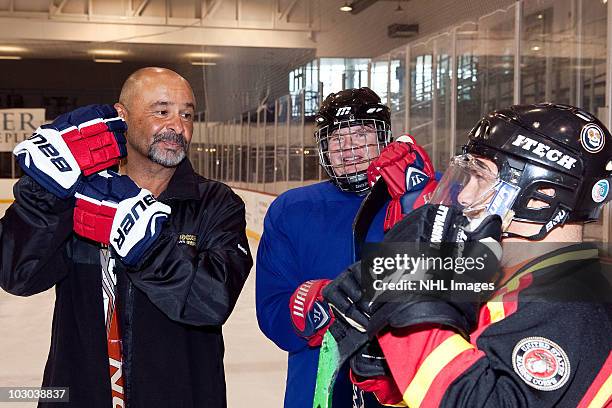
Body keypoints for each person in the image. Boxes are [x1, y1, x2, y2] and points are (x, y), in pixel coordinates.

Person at [324, 103, 612, 407]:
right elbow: (470, 374)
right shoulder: (507, 276)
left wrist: (413, 310)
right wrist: (389, 357)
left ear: (541, 198)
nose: (464, 195)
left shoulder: (572, 305)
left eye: (481, 177)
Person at [0, 67, 253, 408]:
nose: (177, 127)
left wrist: (145, 244)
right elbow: (19, 275)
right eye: (161, 111)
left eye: (187, 114)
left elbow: (210, 303)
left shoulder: (215, 204)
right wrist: (44, 192)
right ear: (123, 116)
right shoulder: (84, 195)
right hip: (79, 394)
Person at [255, 87, 438, 408]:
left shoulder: (427, 192)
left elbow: (472, 284)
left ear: (384, 139)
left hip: (409, 385)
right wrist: (305, 313)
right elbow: (273, 318)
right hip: (317, 389)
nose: (348, 147)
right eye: (336, 138)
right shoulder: (292, 209)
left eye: (362, 133)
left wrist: (424, 208)